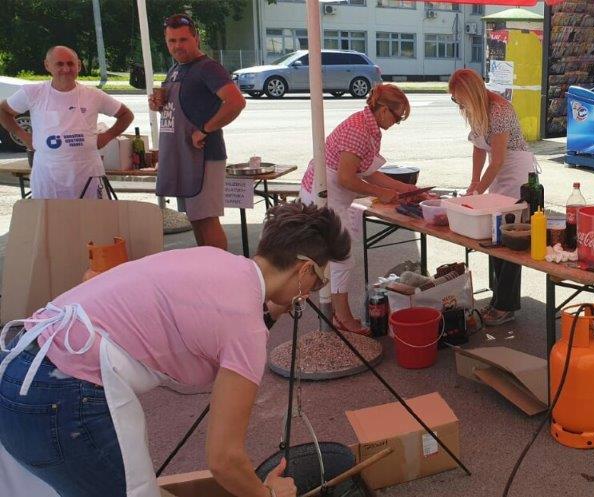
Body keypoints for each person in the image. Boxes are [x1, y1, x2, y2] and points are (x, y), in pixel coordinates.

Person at [0, 201, 349, 497]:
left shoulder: (215, 261)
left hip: (16, 365)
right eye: (319, 280)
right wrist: (267, 494)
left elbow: (214, 312)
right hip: (62, 394)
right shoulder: (246, 330)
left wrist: (268, 309)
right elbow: (225, 460)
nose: (315, 290)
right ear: (304, 270)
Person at [298, 84, 421, 334]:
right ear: (384, 110)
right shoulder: (359, 130)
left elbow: (369, 172)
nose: (396, 123)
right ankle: (344, 319)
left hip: (331, 195)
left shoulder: (368, 125)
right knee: (341, 259)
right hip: (323, 196)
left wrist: (402, 188)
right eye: (397, 117)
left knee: (335, 259)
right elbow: (346, 178)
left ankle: (337, 317)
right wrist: (382, 193)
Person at [448, 68, 538, 327]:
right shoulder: (476, 109)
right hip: (498, 174)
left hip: (517, 174)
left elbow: (497, 160)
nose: (459, 104)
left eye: (459, 98)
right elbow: (479, 148)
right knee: (494, 237)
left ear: (471, 93)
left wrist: (477, 192)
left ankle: (505, 305)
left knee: (510, 238)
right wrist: (475, 183)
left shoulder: (500, 110)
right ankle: (499, 297)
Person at [150, 13, 246, 249]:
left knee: (206, 219)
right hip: (182, 157)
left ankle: (218, 276)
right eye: (171, 41)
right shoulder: (176, 69)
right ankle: (205, 270)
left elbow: (236, 102)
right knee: (195, 218)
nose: (177, 46)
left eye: (183, 40)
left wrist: (205, 129)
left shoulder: (208, 68)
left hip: (204, 156)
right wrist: (157, 104)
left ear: (196, 38)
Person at [0, 46, 133, 199]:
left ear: (79, 66)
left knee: (92, 221)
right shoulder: (32, 93)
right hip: (48, 177)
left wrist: (107, 137)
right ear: (47, 65)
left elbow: (125, 115)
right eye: (59, 64)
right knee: (51, 221)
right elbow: (3, 111)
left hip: (88, 174)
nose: (66, 69)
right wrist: (23, 135)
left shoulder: (93, 95)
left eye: (70, 64)